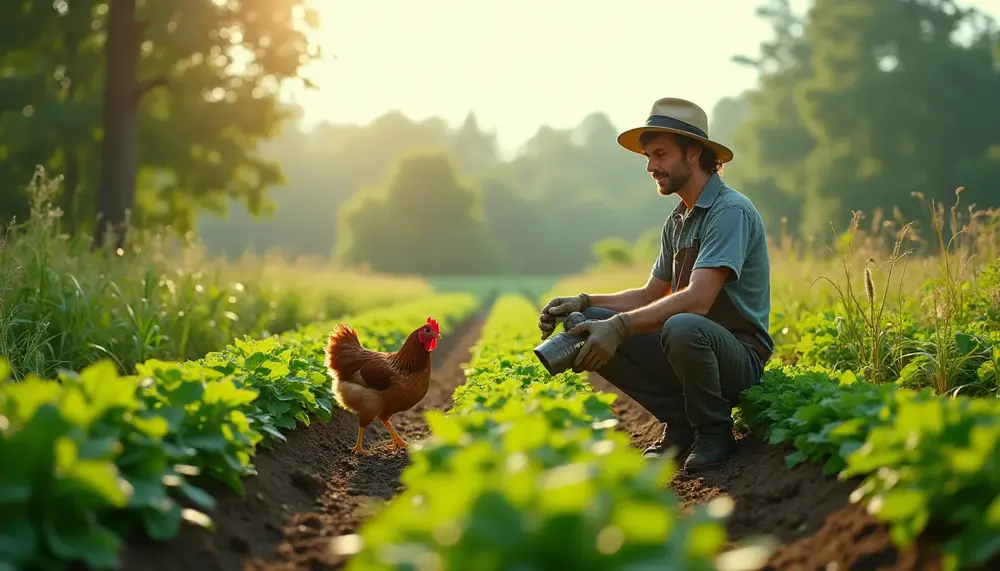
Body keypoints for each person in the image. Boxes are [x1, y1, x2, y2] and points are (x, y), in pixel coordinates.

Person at [537, 97, 773, 471]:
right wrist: (584, 301)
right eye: (648, 157)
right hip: (688, 346)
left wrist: (619, 327)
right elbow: (649, 294)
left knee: (682, 325)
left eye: (660, 155)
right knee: (589, 323)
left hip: (737, 358)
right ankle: (680, 424)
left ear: (694, 153)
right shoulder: (678, 220)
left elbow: (697, 300)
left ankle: (714, 432)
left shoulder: (730, 211)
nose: (651, 166)